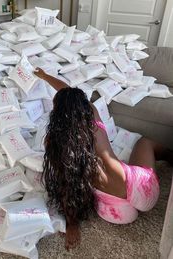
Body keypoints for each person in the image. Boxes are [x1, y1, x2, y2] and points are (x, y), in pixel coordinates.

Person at [34, 68, 173, 250]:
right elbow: (67, 91)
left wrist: (72, 224)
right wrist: (45, 76)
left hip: (113, 212)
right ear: (82, 108)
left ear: (58, 115)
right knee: (145, 142)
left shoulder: (53, 143)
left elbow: (65, 186)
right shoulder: (91, 115)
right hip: (143, 191)